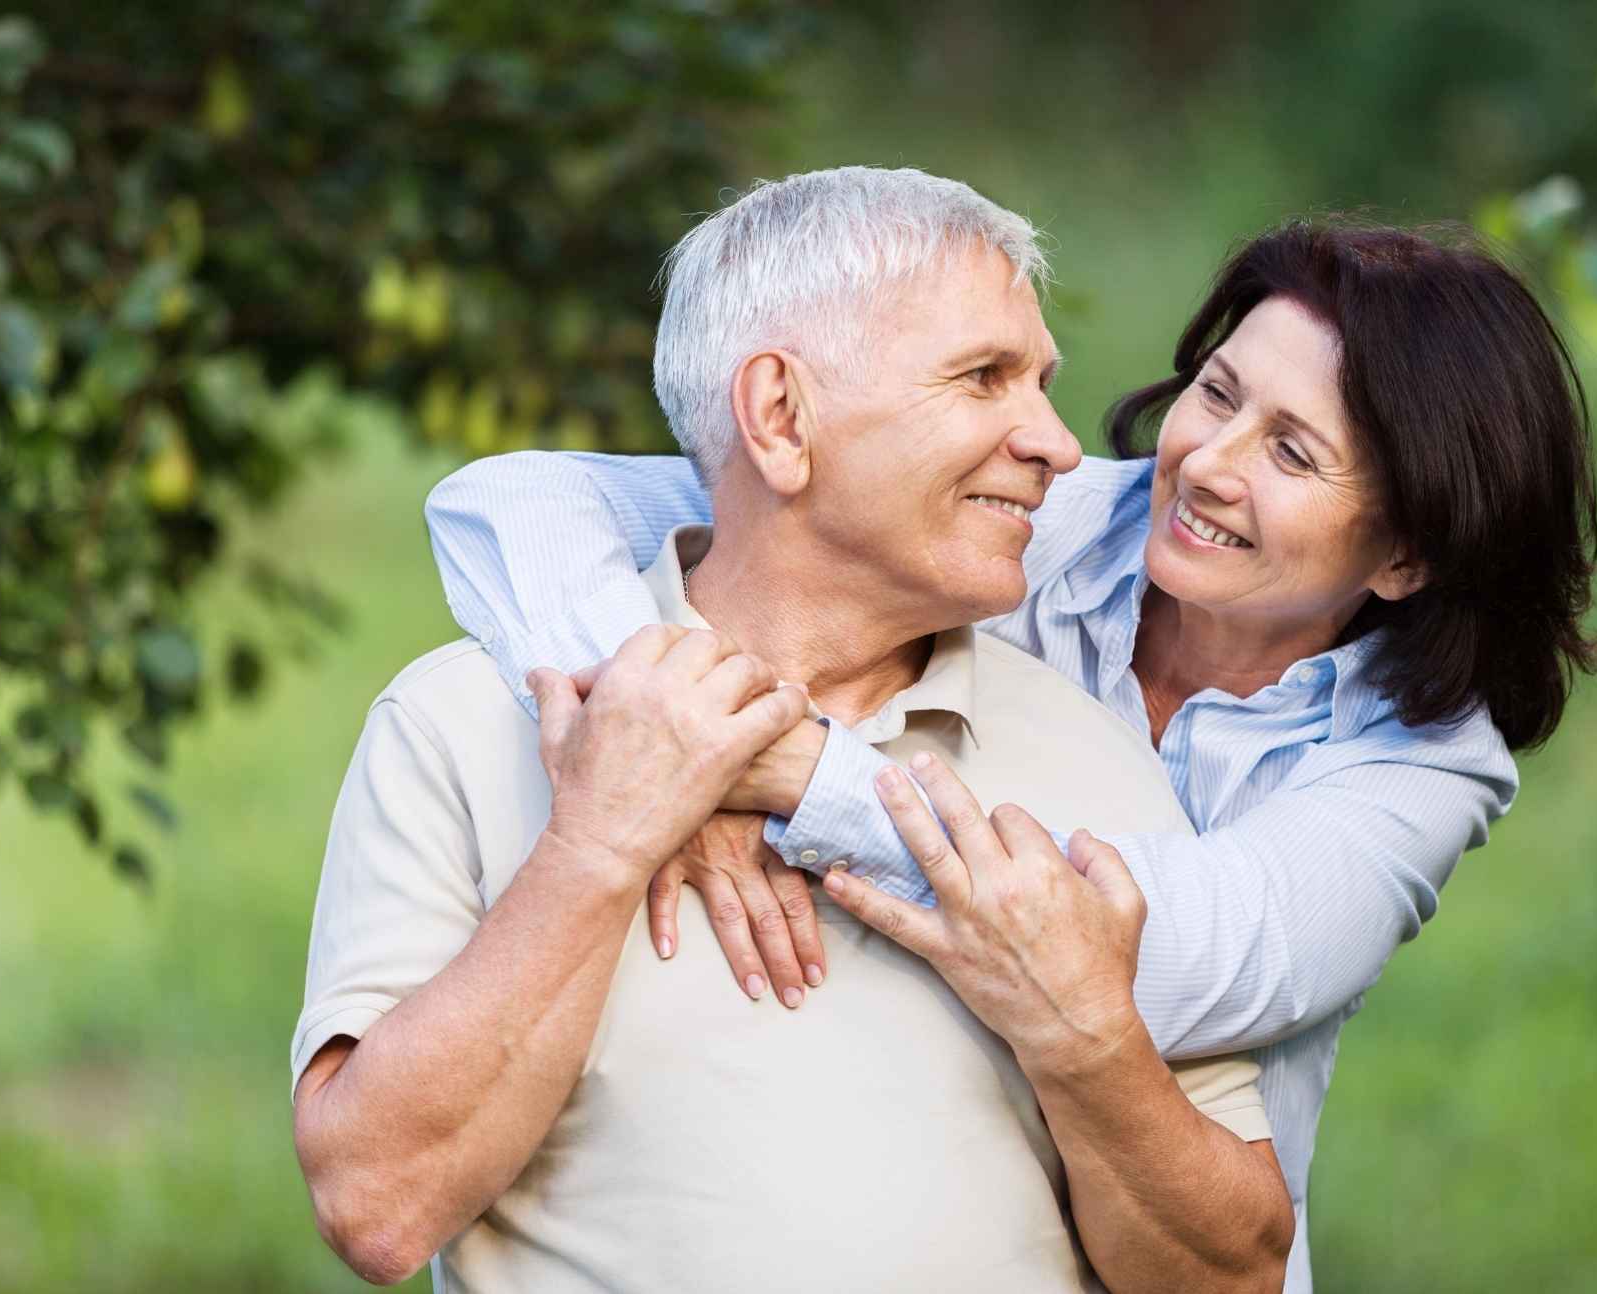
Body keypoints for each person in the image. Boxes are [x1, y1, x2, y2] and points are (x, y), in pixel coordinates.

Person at [424, 180, 1597, 1291]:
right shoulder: (1029, 522)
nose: (1205, 464)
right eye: (1218, 393)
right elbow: (513, 504)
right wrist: (653, 730)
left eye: (1292, 452)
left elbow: (1149, 952)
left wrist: (773, 770)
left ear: (1404, 553)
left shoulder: (1424, 762)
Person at [292, 166, 1294, 1293]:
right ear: (778, 416)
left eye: (1042, 385)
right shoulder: (459, 726)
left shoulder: (1093, 760)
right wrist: (600, 844)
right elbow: (376, 1208)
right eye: (983, 378)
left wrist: (1086, 1040)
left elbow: (1234, 1277)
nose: (1060, 446)